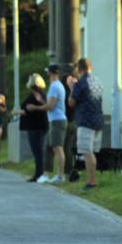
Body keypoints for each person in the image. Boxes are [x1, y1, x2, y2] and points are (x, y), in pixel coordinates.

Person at [67, 57, 103, 191]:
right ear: (90, 67)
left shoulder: (81, 83)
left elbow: (71, 103)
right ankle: (91, 180)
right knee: (92, 152)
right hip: (98, 120)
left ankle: (91, 182)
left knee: (87, 152)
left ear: (79, 69)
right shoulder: (97, 81)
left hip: (85, 121)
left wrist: (72, 88)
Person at [35, 64, 68, 183]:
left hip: (57, 121)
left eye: (48, 72)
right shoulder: (56, 86)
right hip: (54, 120)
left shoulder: (55, 86)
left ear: (52, 73)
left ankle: (60, 176)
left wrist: (35, 107)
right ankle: (46, 175)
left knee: (58, 148)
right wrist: (41, 101)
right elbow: (51, 104)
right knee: (48, 147)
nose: (47, 74)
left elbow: (50, 106)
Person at [15, 74, 50, 182]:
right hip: (38, 125)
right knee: (38, 150)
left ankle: (39, 173)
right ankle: (39, 173)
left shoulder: (37, 92)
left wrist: (18, 112)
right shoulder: (40, 93)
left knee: (37, 151)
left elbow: (31, 109)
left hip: (36, 126)